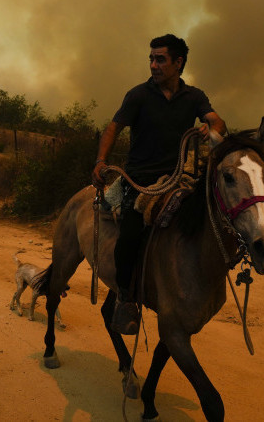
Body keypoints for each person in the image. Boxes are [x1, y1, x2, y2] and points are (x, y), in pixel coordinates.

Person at [92, 34, 226, 334]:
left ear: (178, 63)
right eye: (151, 59)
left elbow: (218, 123)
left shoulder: (193, 97)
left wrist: (208, 127)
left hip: (177, 178)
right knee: (129, 235)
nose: (153, 65)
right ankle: (126, 298)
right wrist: (101, 161)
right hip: (138, 182)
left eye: (160, 59)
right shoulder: (138, 95)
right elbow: (114, 127)